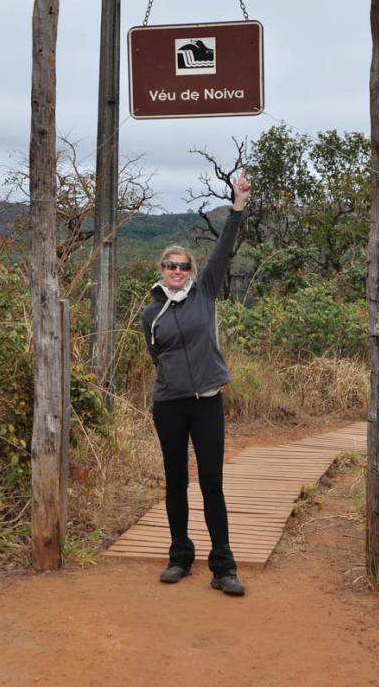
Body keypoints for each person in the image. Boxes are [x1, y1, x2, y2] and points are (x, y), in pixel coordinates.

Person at [141, 169, 251, 596]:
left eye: (183, 265)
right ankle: (179, 556)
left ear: (190, 270)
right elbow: (156, 355)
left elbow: (223, 250)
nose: (177, 270)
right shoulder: (151, 314)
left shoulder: (205, 291)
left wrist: (237, 206)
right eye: (170, 265)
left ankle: (223, 566)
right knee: (175, 481)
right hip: (169, 404)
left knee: (211, 483)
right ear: (161, 270)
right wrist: (173, 380)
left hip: (206, 401)